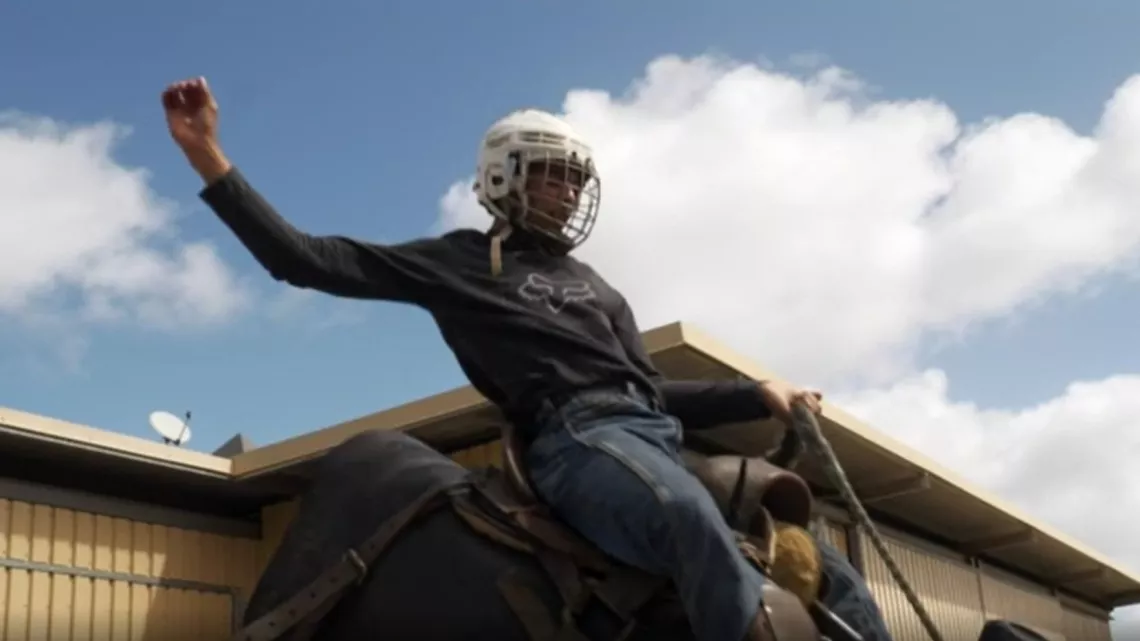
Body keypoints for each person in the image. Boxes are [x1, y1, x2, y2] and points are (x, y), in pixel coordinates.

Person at [162, 76, 826, 641]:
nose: (569, 194)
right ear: (506, 175)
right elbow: (303, 259)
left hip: (656, 440)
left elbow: (650, 391)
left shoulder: (601, 286)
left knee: (823, 565)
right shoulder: (460, 262)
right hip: (575, 441)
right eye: (554, 178)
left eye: (575, 181)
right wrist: (207, 156)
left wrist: (758, 391)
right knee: (685, 516)